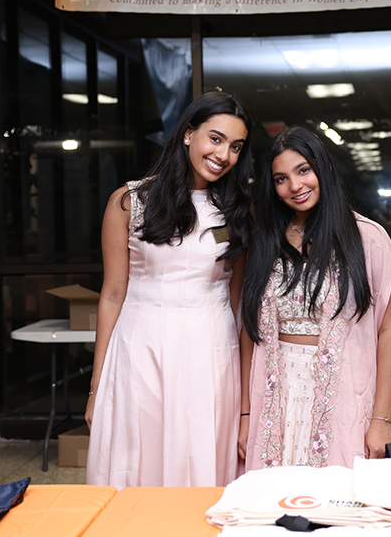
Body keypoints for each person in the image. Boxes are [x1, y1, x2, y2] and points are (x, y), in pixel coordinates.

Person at [85, 91, 253, 488]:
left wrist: (246, 404)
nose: (224, 154)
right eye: (215, 138)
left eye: (236, 146)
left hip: (211, 353)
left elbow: (239, 302)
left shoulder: (239, 212)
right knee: (136, 456)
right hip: (140, 350)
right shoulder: (129, 202)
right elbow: (111, 295)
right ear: (188, 135)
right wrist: (95, 388)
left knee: (200, 458)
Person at [238, 127, 391, 469]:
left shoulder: (367, 239)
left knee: (339, 506)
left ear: (325, 169)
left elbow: (390, 331)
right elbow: (250, 330)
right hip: (276, 395)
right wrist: (246, 412)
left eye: (303, 170)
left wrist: (381, 422)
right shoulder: (264, 242)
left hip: (343, 393)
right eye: (281, 178)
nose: (295, 186)